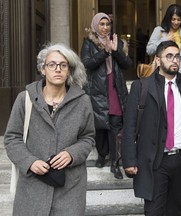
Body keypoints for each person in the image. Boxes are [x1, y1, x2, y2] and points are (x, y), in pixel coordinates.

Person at [121, 40, 181, 216]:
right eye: (169, 56)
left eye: (177, 57)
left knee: (175, 210)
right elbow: (129, 126)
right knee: (154, 211)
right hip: (154, 160)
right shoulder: (141, 87)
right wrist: (129, 159)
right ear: (157, 60)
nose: (174, 61)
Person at [4, 43, 95, 215]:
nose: (58, 69)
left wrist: (71, 153)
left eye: (63, 65)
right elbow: (12, 138)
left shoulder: (82, 102)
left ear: (69, 70)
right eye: (51, 64)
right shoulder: (25, 99)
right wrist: (29, 161)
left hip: (70, 189)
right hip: (32, 187)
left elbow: (88, 138)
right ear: (43, 69)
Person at [80, 12, 132, 179]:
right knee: (100, 126)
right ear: (96, 25)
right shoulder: (88, 43)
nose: (105, 27)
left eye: (107, 24)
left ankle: (115, 163)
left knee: (116, 126)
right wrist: (105, 52)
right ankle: (102, 155)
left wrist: (116, 51)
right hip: (97, 90)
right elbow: (87, 63)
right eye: (101, 24)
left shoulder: (119, 42)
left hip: (115, 87)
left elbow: (127, 64)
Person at [146, 4, 181, 79]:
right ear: (168, 18)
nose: (176, 22)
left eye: (179, 20)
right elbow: (149, 50)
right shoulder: (159, 31)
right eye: (173, 19)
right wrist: (163, 40)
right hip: (162, 76)